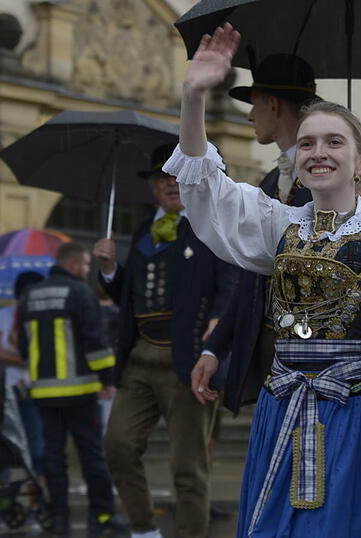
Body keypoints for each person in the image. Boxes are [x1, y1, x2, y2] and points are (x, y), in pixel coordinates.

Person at [170, 24, 361, 537]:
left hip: (354, 414)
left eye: (334, 141)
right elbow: (206, 187)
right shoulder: (279, 225)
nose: (318, 151)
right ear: (297, 161)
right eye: (307, 143)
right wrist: (194, 96)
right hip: (281, 403)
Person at [92, 142, 238, 538]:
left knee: (188, 467)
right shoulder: (143, 230)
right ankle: (144, 530)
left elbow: (230, 282)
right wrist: (108, 270)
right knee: (118, 445)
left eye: (177, 176)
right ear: (153, 187)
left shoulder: (210, 225)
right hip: (138, 357)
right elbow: (128, 296)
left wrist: (218, 324)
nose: (170, 184)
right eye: (162, 178)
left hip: (186, 359)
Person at [190, 53, 316, 415]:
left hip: (314, 352)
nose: (249, 115)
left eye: (254, 104)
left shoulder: (339, 178)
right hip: (267, 351)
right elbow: (251, 276)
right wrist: (215, 346)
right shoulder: (270, 181)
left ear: (273, 104)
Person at [17, 242, 123, 537]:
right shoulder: (80, 293)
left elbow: (24, 346)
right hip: (80, 393)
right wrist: (108, 380)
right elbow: (95, 343)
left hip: (44, 395)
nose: (87, 270)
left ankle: (60, 519)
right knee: (91, 457)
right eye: (87, 265)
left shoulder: (30, 296)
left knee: (53, 459)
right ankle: (101, 517)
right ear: (75, 265)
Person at [0, 270, 46, 485]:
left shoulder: (42, 316)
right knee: (3, 444)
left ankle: (38, 497)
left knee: (36, 445)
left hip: (32, 390)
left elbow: (41, 355)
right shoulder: (4, 315)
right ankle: (2, 496)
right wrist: (20, 358)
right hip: (6, 389)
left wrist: (16, 351)